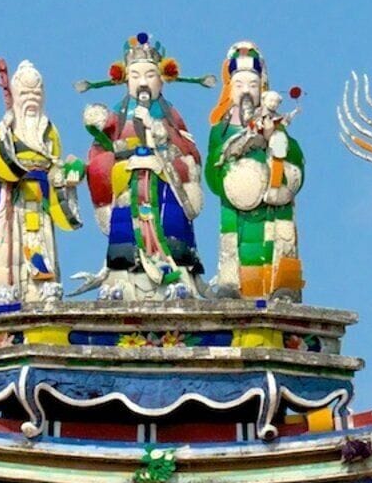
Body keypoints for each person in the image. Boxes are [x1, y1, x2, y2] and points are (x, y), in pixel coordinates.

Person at [82, 36, 206, 297]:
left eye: (150, 75)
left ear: (161, 79)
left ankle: (176, 271)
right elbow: (99, 152)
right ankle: (122, 275)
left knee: (169, 223)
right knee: (125, 228)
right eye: (135, 75)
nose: (142, 82)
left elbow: (189, 150)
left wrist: (160, 135)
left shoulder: (170, 115)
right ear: (126, 79)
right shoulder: (116, 116)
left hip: (162, 181)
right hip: (127, 183)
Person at [0, 61, 85, 310]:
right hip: (16, 202)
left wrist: (69, 174)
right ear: (15, 95)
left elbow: (57, 163)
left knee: (43, 244)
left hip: (41, 201)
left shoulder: (49, 130)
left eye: (36, 94)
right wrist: (12, 159)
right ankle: (8, 290)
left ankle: (45, 288)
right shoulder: (4, 130)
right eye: (25, 94)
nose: (31, 99)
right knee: (12, 249)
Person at [204, 43, 307, 300]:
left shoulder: (275, 124)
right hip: (236, 202)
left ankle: (281, 287)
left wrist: (273, 138)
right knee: (237, 248)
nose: (246, 91)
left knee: (275, 245)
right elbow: (211, 169)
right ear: (230, 89)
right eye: (239, 85)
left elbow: (295, 158)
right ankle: (232, 287)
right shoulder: (221, 130)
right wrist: (228, 167)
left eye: (253, 85)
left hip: (271, 203)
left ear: (262, 88)